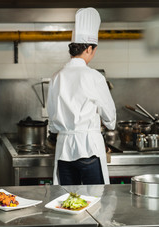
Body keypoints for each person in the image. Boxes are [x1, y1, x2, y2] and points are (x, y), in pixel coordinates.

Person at [46, 7, 116, 185]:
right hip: (89, 148)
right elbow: (110, 118)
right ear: (89, 49)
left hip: (64, 150)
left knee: (67, 202)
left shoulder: (56, 77)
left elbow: (52, 122)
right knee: (96, 202)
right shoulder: (94, 77)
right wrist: (106, 123)